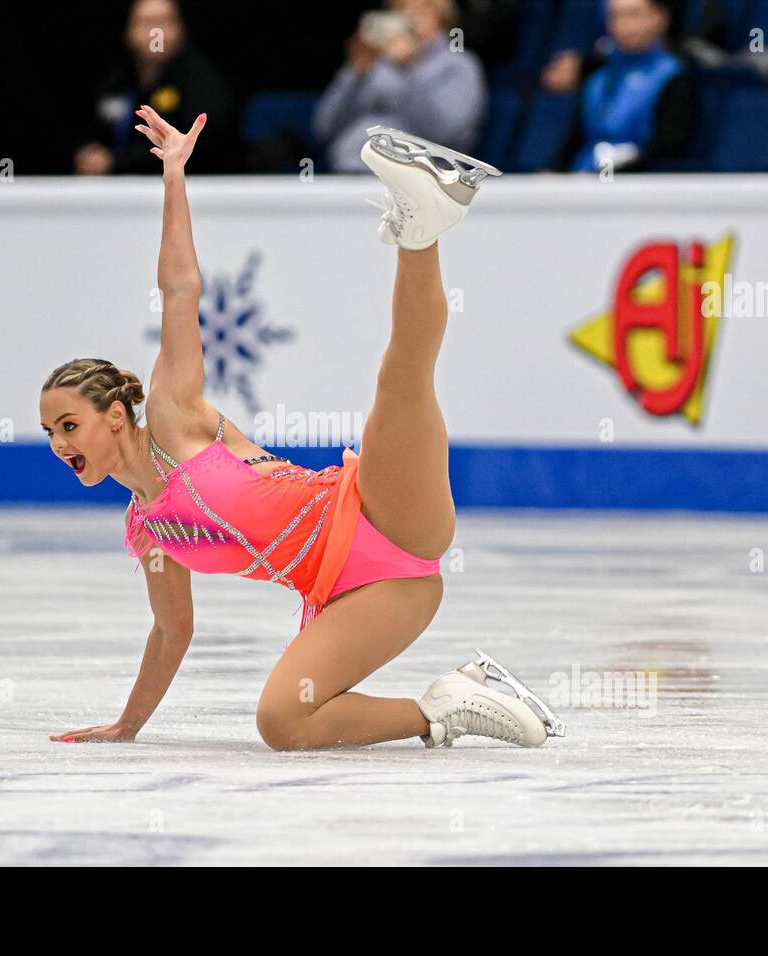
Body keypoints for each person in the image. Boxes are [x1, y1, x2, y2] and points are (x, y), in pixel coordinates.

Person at [40, 105, 565, 750]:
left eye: (69, 424)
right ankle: (450, 706)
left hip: (376, 514)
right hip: (369, 596)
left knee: (400, 378)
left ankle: (423, 224)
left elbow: (180, 290)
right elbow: (172, 632)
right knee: (283, 723)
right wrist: (127, 726)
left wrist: (174, 174)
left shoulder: (176, 419)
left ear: (116, 416)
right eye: (50, 433)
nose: (60, 443)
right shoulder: (147, 529)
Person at [313, 0, 488, 173]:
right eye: (400, 9)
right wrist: (357, 73)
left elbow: (444, 132)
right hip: (352, 174)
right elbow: (324, 129)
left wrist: (410, 67)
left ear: (441, 16)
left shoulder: (459, 64)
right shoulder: (376, 63)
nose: (409, 18)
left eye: (420, 10)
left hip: (426, 180)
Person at [73, 0, 235, 175]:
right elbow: (90, 131)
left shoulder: (202, 82)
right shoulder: (114, 82)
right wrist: (88, 154)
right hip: (115, 190)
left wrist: (116, 162)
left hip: (188, 186)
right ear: (128, 31)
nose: (155, 33)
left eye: (164, 21)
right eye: (147, 22)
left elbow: (204, 147)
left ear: (180, 28)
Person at [543, 0, 696, 173]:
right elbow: (573, 144)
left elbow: (667, 150)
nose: (624, 25)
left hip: (633, 185)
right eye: (615, 16)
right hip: (584, 181)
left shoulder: (673, 77)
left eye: (634, 14)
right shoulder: (597, 80)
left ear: (660, 17)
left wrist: (613, 173)